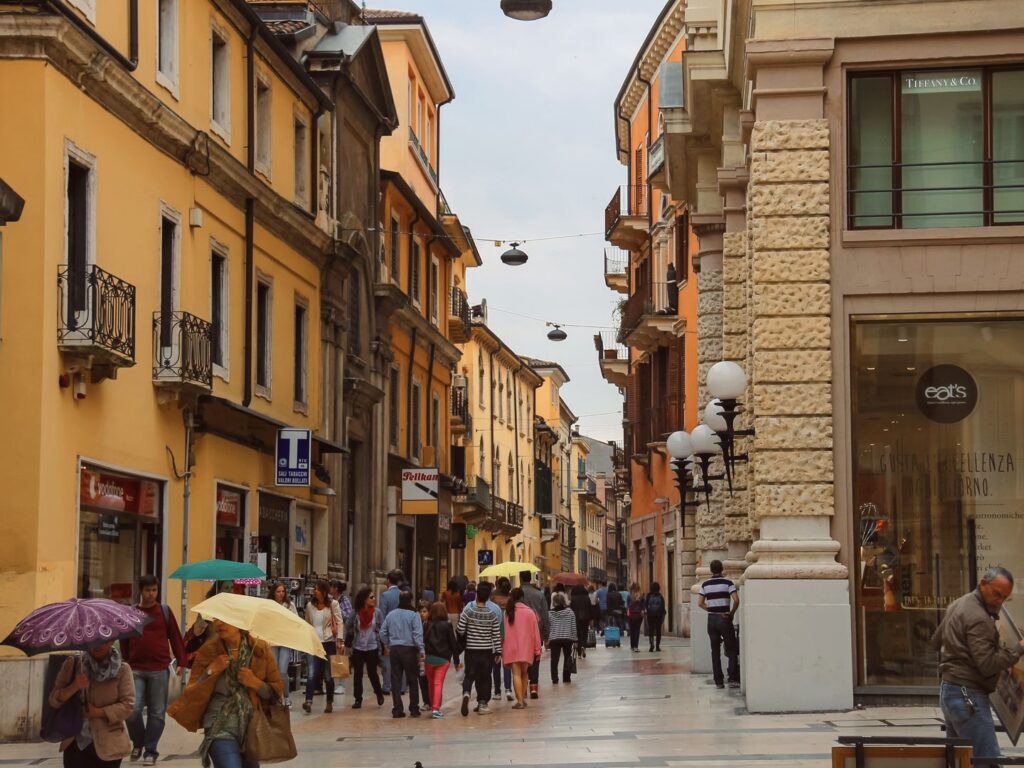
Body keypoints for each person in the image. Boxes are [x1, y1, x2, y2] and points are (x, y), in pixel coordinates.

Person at [932, 566, 1024, 766]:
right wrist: (1016, 650)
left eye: (1004, 598)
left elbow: (935, 641)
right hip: (968, 696)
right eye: (997, 594)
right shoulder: (978, 617)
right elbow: (988, 665)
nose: (999, 602)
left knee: (961, 761)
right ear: (983, 583)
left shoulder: (958, 604)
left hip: (950, 691)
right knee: (986, 761)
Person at [167, 619, 283, 768]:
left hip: (251, 725)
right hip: (218, 723)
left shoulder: (259, 650)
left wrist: (255, 682)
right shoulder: (209, 650)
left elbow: (275, 691)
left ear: (240, 624)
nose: (219, 625)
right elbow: (192, 691)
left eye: (226, 621)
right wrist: (211, 670)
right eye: (217, 620)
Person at [121, 575, 186, 766]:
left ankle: (150, 750)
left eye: (154, 590)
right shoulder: (132, 612)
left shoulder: (164, 611)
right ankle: (138, 742)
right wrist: (126, 661)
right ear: (140, 591)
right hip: (136, 669)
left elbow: (174, 635)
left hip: (159, 668)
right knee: (132, 711)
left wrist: (181, 661)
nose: (152, 594)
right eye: (148, 590)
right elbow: (125, 639)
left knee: (157, 713)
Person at [49, 640, 135, 768]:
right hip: (76, 742)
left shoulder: (122, 669)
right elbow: (54, 700)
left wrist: (98, 712)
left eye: (102, 641)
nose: (97, 645)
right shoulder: (73, 664)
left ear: (112, 641)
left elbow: (128, 705)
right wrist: (75, 686)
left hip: (109, 743)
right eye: (93, 641)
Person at [457, 581, 502, 716]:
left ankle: (466, 693)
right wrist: (498, 651)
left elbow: (460, 629)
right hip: (486, 651)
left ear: (476, 595)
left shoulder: (469, 611)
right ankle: (482, 704)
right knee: (485, 677)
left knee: (469, 675)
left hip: (471, 650)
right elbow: (496, 634)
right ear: (488, 596)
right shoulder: (491, 613)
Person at [379, 591, 424, 718]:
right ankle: (414, 708)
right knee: (412, 679)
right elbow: (417, 634)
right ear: (411, 600)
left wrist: (388, 643)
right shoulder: (414, 614)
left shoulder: (391, 614)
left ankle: (398, 709)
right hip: (409, 649)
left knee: (396, 679)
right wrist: (421, 649)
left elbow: (382, 632)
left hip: (395, 649)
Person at [698, 560, 740, 689]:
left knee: (715, 650)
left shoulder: (705, 584)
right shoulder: (728, 583)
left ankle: (719, 681)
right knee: (731, 648)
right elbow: (736, 600)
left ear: (711, 570)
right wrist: (731, 613)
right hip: (724, 618)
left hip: (711, 620)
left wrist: (710, 609)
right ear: (722, 569)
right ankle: (732, 678)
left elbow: (700, 603)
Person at [302, 580, 342, 714]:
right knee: (311, 673)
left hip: (328, 642)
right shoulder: (309, 606)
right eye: (315, 589)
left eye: (317, 589)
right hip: (314, 642)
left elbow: (339, 622)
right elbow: (307, 623)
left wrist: (340, 639)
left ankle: (329, 702)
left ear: (324, 591)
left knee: (328, 675)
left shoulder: (333, 605)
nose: (315, 591)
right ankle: (308, 701)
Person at [344, 587, 385, 709]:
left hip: (372, 646)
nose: (374, 599)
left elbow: (381, 628)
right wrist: (353, 633)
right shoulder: (356, 612)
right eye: (371, 597)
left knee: (373, 673)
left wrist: (383, 643)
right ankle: (358, 699)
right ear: (364, 599)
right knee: (358, 674)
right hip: (358, 647)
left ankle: (378, 692)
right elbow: (348, 625)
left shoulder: (377, 613)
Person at [503, 587, 542, 709]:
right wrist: (537, 649)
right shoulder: (530, 612)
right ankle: (522, 700)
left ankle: (519, 700)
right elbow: (536, 633)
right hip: (526, 647)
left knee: (516, 674)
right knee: (525, 673)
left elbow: (503, 631)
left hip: (512, 647)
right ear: (522, 597)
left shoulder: (508, 612)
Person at [423, 602, 461, 718]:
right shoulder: (447, 625)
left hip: (429, 658)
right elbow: (453, 644)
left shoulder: (426, 624)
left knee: (431, 683)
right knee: (438, 683)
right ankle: (436, 709)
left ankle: (431, 704)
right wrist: (456, 661)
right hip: (443, 659)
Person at [265, 581, 298, 707]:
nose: (281, 594)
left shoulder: (290, 605)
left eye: (283, 591)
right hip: (272, 640)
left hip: (285, 640)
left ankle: (286, 696)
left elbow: (295, 620)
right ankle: (276, 696)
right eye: (278, 591)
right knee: (274, 670)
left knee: (283, 671)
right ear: (273, 592)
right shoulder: (269, 605)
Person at [518, 571, 549, 700]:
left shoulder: (517, 594)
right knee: (535, 659)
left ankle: (523, 689)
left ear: (520, 578)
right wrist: (546, 634)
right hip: (537, 631)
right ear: (530, 578)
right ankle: (534, 688)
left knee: (522, 660)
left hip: (520, 632)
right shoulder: (539, 594)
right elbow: (545, 615)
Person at [378, 570, 403, 696]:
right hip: (402, 630)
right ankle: (402, 686)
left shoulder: (384, 596)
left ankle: (387, 685)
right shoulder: (403, 594)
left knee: (387, 658)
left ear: (388, 580)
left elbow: (382, 614)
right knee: (401, 659)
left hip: (389, 629)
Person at [490, 577, 514, 701]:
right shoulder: (511, 598)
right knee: (507, 663)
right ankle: (508, 689)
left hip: (495, 631)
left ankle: (497, 692)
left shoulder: (493, 597)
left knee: (496, 663)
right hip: (508, 631)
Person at [547, 592, 578, 684]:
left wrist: (548, 638)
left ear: (554, 602)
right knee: (567, 657)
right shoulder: (570, 612)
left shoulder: (550, 614)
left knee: (554, 660)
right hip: (567, 638)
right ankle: (566, 677)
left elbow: (549, 627)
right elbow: (573, 626)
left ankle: (555, 678)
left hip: (554, 638)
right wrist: (575, 639)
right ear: (564, 601)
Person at [416, 600, 432, 705]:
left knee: (429, 680)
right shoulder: (417, 623)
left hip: (429, 655)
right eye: (420, 611)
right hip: (420, 656)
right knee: (422, 679)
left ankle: (430, 701)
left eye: (425, 611)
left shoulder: (431, 624)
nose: (422, 614)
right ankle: (426, 702)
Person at [570, 584, 592, 659]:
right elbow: (590, 608)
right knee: (585, 633)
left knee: (578, 634)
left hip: (576, 618)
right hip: (586, 618)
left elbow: (571, 609)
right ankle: (584, 646)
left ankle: (579, 653)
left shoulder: (573, 598)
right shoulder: (587, 598)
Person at [644, 582, 667, 652]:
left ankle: (651, 645)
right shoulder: (660, 596)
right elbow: (663, 607)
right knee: (658, 631)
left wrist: (647, 612)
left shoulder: (648, 595)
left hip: (650, 615)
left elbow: (645, 605)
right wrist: (663, 614)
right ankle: (657, 646)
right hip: (658, 616)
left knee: (651, 630)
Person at [626, 584, 645, 652]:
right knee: (637, 630)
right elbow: (643, 605)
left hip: (631, 615)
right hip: (638, 615)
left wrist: (627, 612)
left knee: (632, 630)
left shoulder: (629, 596)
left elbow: (627, 606)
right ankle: (636, 646)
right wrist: (642, 611)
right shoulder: (641, 595)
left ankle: (632, 646)